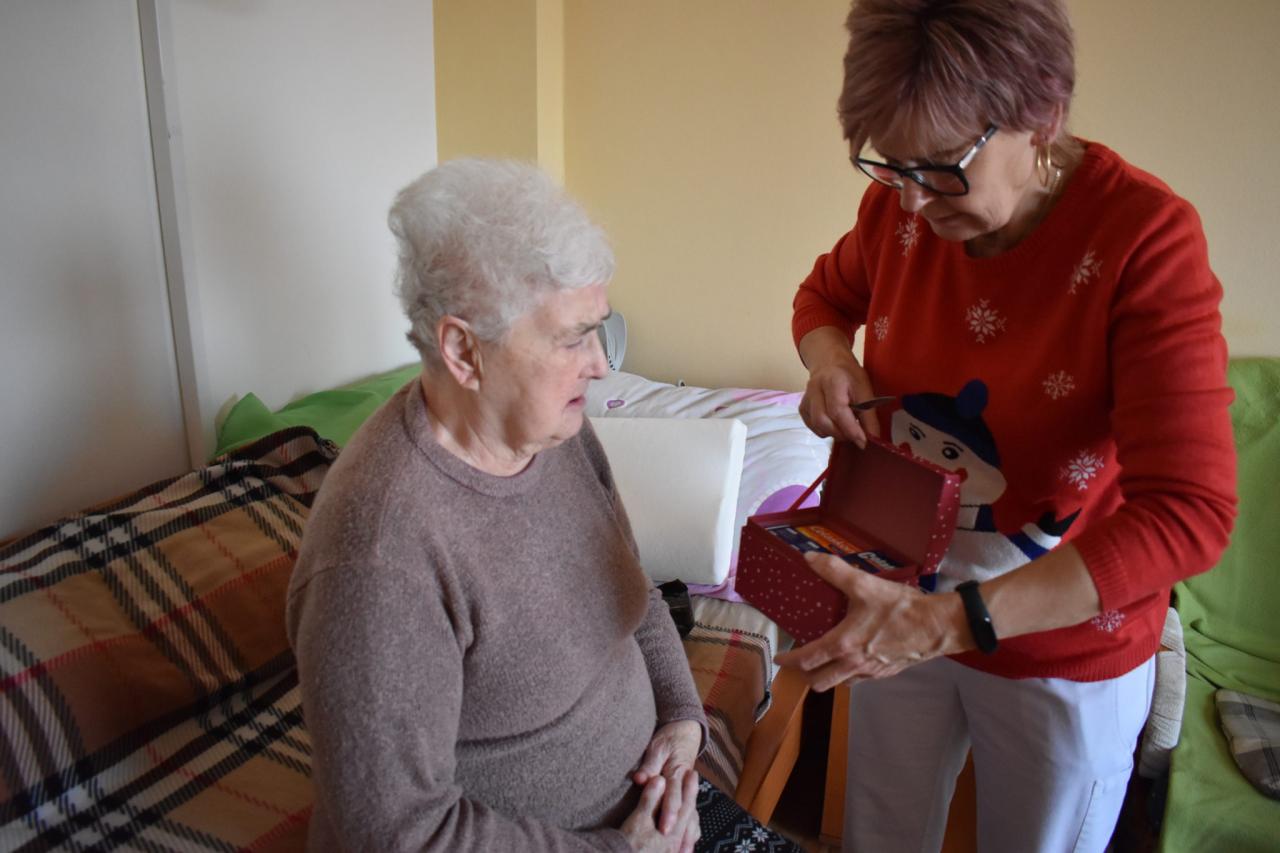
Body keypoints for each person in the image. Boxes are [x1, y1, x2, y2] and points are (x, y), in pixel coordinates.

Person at [773, 2, 1237, 851]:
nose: (913, 199)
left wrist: (952, 622)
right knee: (880, 832)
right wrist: (830, 359)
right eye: (889, 163)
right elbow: (824, 297)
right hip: (900, 597)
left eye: (942, 166)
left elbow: (1189, 513)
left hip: (1064, 650)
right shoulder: (899, 209)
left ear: (1041, 118)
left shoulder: (1143, 241)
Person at [286, 159, 706, 852]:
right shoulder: (380, 552)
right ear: (463, 350)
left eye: (599, 329)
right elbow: (398, 835)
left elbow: (637, 593)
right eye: (572, 337)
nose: (601, 364)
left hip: (655, 815)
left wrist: (682, 720)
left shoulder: (554, 432)